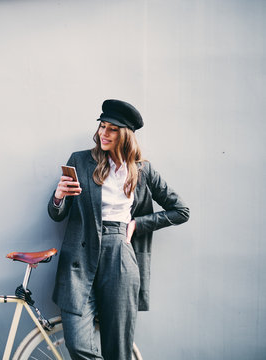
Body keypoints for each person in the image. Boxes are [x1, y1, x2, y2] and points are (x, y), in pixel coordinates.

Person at [48, 99, 190, 360]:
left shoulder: (142, 170)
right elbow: (57, 215)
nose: (103, 133)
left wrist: (137, 224)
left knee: (118, 349)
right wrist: (58, 197)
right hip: (80, 256)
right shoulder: (80, 161)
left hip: (120, 254)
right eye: (102, 126)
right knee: (77, 343)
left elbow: (181, 211)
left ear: (124, 134)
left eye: (111, 129)